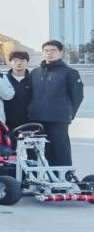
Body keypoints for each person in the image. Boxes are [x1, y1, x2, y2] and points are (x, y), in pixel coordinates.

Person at [27, 40, 84, 168]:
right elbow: (29, 95)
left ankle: (65, 177)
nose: (49, 53)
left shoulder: (70, 73)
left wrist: (70, 115)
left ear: (60, 53)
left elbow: (77, 97)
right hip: (37, 119)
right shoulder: (35, 72)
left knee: (61, 151)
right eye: (46, 50)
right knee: (40, 152)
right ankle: (44, 178)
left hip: (58, 119)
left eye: (53, 50)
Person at [2, 51, 33, 131]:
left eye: (22, 61)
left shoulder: (33, 79)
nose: (19, 63)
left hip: (29, 121)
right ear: (10, 63)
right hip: (8, 121)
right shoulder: (3, 80)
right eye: (15, 61)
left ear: (27, 63)